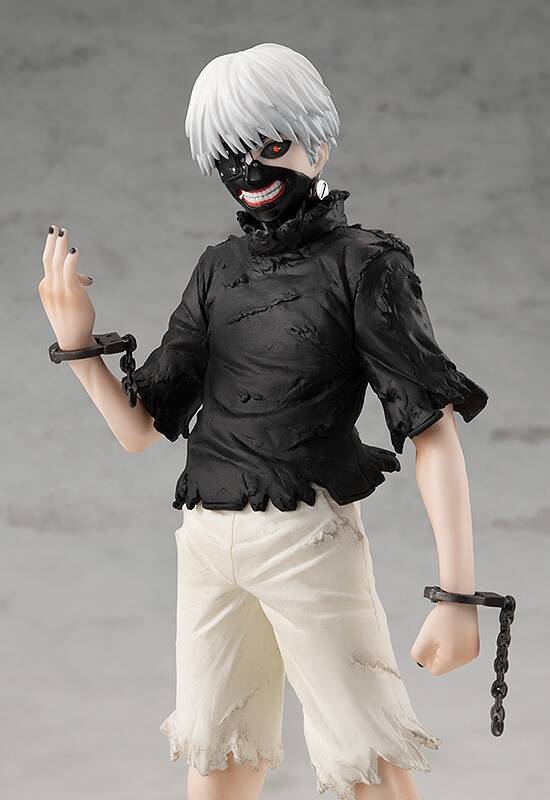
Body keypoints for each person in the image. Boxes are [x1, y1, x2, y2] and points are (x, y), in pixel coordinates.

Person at [39, 43, 488, 800]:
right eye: (228, 154)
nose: (249, 169)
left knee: (365, 756)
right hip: (206, 542)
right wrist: (80, 346)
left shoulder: (364, 264)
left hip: (306, 538)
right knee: (216, 752)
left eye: (271, 144)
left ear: (318, 142)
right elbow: (141, 429)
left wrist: (458, 594)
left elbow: (430, 426)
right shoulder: (219, 269)